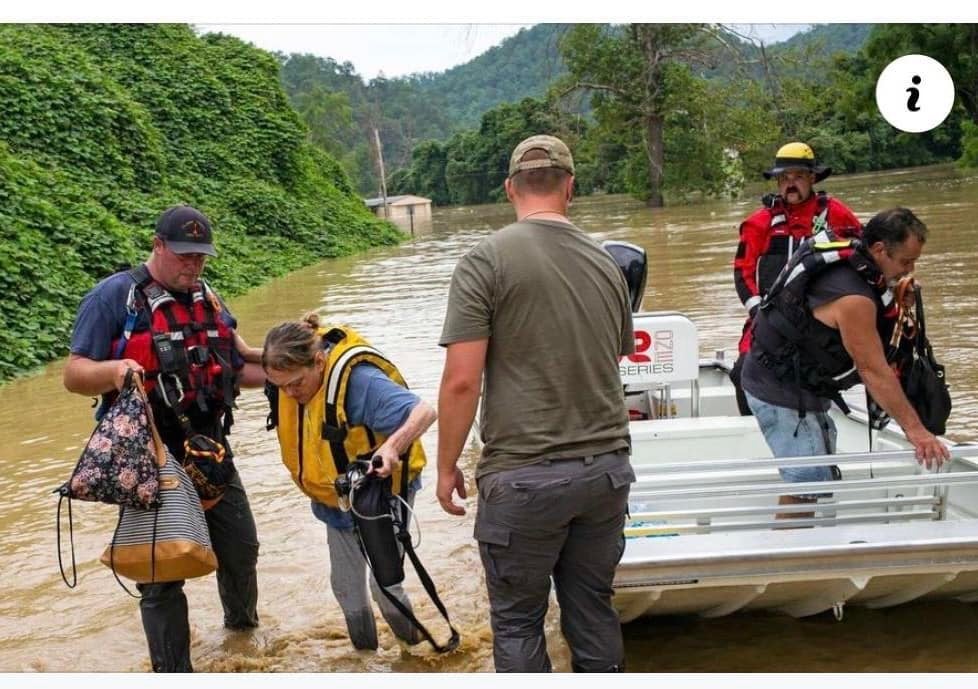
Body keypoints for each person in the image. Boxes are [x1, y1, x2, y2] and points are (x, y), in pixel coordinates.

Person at [436, 134, 636, 672]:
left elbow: (461, 381)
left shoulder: (485, 261)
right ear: (570, 187)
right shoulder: (608, 264)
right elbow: (609, 366)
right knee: (593, 610)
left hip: (524, 476)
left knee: (520, 620)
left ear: (509, 189)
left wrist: (446, 464)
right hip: (606, 475)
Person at [63, 205, 263, 672]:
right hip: (147, 456)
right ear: (157, 245)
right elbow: (73, 374)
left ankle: (243, 640)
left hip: (209, 449)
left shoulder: (207, 298)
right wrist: (114, 371)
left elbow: (238, 367)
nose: (192, 266)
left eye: (201, 257)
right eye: (183, 255)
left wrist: (294, 368)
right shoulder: (114, 297)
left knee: (241, 548)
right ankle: (174, 673)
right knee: (160, 575)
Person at [741, 207, 950, 518]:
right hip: (780, 391)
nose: (910, 270)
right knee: (806, 489)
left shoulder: (857, 260)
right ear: (879, 249)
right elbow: (873, 371)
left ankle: (804, 548)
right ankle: (790, 557)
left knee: (815, 481)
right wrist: (916, 431)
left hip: (791, 378)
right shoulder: (854, 298)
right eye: (906, 261)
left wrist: (894, 292)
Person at [261, 313, 434, 651]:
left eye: (296, 383)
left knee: (385, 589)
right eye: (281, 386)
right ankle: (363, 659)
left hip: (378, 494)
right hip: (336, 498)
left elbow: (424, 412)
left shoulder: (360, 382)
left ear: (319, 362)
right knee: (346, 590)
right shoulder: (287, 377)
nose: (290, 392)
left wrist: (392, 446)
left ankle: (416, 654)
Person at [732, 142, 862, 415]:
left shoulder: (836, 214)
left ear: (812, 178)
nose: (790, 184)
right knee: (742, 372)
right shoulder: (759, 223)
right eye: (784, 178)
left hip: (821, 318)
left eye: (798, 177)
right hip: (768, 316)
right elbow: (743, 272)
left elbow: (865, 256)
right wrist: (757, 310)